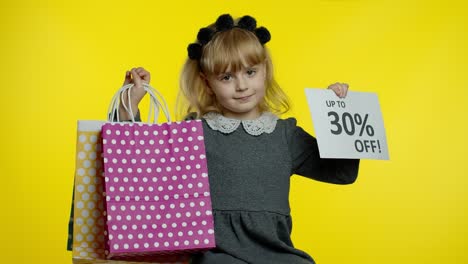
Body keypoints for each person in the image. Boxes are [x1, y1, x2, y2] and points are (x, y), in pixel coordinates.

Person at [118, 14, 359, 264]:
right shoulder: (196, 131)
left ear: (265, 70)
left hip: (275, 252)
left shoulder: (284, 135)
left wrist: (338, 116)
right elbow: (143, 166)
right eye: (226, 77)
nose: (241, 85)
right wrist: (129, 105)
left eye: (250, 72)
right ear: (207, 82)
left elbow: (342, 172)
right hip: (215, 253)